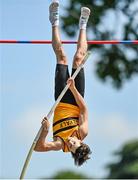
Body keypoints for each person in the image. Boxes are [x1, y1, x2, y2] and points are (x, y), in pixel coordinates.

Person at [34, 0, 92, 166]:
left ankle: (54, 20)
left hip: (60, 100)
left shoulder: (60, 143)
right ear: (81, 142)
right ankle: (83, 24)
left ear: (71, 152)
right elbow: (84, 109)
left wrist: (45, 131)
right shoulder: (82, 132)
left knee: (62, 57)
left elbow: (39, 147)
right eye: (76, 143)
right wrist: (73, 89)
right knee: (79, 58)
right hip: (75, 98)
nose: (72, 142)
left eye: (72, 147)